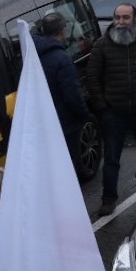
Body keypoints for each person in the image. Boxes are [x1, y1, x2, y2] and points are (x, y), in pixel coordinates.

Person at [84, 3, 136, 216]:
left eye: (125, 18)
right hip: (113, 113)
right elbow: (92, 78)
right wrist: (102, 107)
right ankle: (108, 200)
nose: (121, 22)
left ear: (135, 19)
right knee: (111, 159)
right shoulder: (102, 45)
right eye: (117, 17)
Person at [32, 11, 89, 160]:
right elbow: (72, 95)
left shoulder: (30, 53)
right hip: (64, 123)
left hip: (41, 121)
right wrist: (84, 115)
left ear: (42, 30)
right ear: (63, 31)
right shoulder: (62, 58)